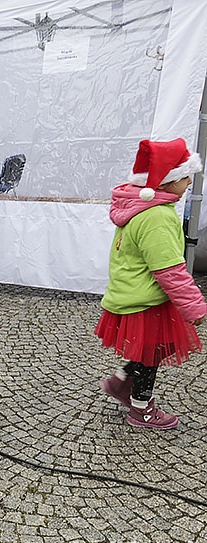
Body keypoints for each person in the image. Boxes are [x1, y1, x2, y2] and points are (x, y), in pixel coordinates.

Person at [96, 138, 206, 429]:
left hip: (133, 291)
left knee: (151, 350)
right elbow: (169, 269)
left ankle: (121, 382)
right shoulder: (157, 216)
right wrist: (195, 307)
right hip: (146, 298)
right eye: (185, 178)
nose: (189, 186)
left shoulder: (140, 207)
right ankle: (141, 409)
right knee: (152, 353)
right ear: (167, 182)